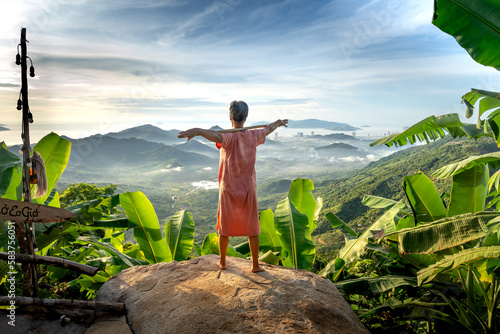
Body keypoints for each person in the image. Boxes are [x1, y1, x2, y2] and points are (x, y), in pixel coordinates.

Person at [178, 100, 288, 272]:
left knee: (225, 226)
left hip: (228, 187)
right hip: (248, 187)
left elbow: (215, 136)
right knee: (253, 226)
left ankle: (222, 262)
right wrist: (279, 123)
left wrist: (199, 131)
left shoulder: (228, 137)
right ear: (246, 118)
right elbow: (268, 129)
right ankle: (255, 265)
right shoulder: (253, 135)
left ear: (230, 117)